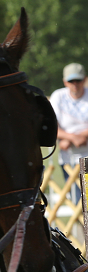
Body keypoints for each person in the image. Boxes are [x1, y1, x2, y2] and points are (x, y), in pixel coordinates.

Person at [50, 62, 88, 205]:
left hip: (87, 157)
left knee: (86, 203)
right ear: (65, 81)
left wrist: (81, 137)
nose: (75, 84)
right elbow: (53, 126)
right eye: (71, 81)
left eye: (78, 80)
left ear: (84, 80)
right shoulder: (58, 97)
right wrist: (72, 138)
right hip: (68, 160)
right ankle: (81, 228)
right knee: (77, 201)